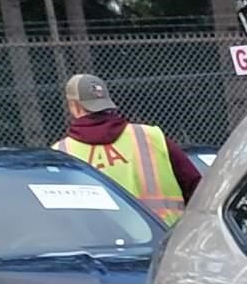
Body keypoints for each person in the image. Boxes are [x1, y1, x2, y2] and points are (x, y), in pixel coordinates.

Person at [54, 73, 201, 224]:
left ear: (74, 107)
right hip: (169, 236)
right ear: (106, 102)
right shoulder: (149, 136)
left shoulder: (61, 153)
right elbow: (196, 186)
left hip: (100, 242)